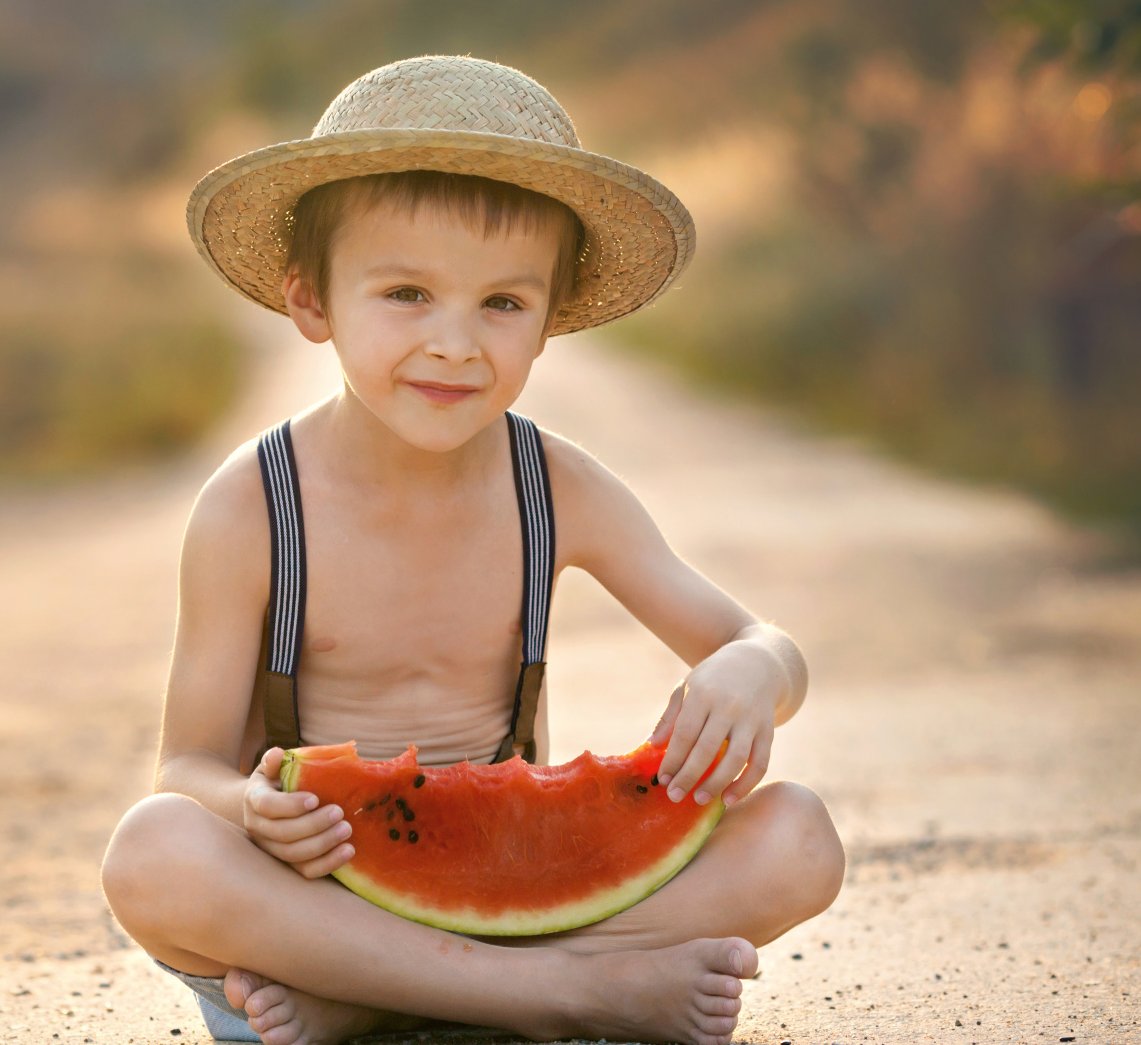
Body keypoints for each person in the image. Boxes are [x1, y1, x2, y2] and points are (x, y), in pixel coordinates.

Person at [100, 55, 844, 1045]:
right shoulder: (253, 508)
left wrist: (755, 668)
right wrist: (246, 808)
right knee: (151, 853)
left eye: (503, 303)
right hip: (310, 917)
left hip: (525, 909)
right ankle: (572, 999)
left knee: (801, 839)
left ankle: (380, 1009)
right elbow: (185, 768)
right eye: (407, 293)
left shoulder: (555, 488)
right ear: (311, 304)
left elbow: (756, 639)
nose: (456, 344)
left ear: (549, 322)